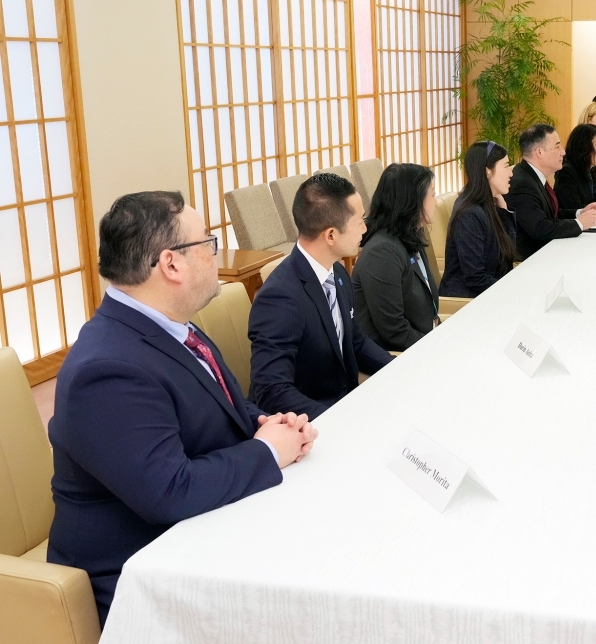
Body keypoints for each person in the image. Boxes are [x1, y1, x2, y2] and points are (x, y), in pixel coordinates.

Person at [47, 191, 318, 626]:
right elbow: (169, 492)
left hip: (201, 533)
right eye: (207, 243)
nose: (216, 253)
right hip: (142, 574)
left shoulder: (173, 326)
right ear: (171, 263)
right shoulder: (107, 369)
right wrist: (267, 451)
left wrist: (266, 424)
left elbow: (218, 406)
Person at [249, 173, 393, 420]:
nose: (365, 229)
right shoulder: (280, 297)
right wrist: (336, 421)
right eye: (359, 221)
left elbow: (355, 342)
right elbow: (272, 390)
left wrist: (399, 369)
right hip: (311, 423)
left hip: (349, 407)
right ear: (331, 235)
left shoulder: (336, 271)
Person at [350, 163, 439, 351]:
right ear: (412, 200)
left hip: (422, 341)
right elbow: (393, 330)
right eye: (432, 194)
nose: (436, 201)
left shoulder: (410, 234)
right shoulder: (382, 252)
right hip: (394, 357)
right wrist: (436, 348)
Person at [506, 124, 596, 259]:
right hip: (533, 260)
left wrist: (580, 213)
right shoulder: (522, 183)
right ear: (539, 152)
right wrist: (579, 223)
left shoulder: (532, 175)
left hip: (549, 249)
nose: (563, 152)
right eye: (557, 147)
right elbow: (540, 228)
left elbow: (550, 215)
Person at [439, 141, 518, 297]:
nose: (511, 173)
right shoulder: (469, 213)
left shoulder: (490, 202)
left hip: (489, 291)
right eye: (506, 166)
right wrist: (512, 291)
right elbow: (475, 278)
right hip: (468, 300)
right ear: (487, 171)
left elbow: (508, 258)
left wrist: (504, 212)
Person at [555, 123, 596, 214]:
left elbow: (592, 198)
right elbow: (574, 210)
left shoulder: (589, 169)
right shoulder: (567, 171)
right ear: (583, 145)